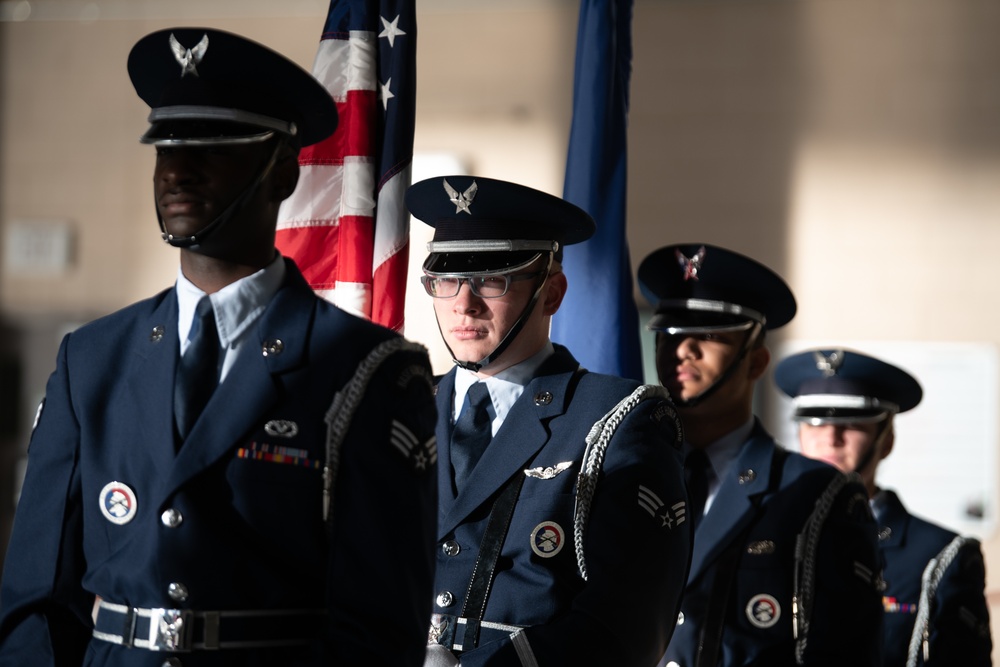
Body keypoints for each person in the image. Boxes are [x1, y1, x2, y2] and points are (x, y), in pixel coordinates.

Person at [0, 27, 437, 666]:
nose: (178, 170)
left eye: (214, 147)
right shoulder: (92, 360)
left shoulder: (365, 369)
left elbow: (379, 629)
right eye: (167, 147)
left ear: (282, 173)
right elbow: (37, 598)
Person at [406, 175, 691, 666]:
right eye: (446, 280)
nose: (463, 304)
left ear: (552, 293)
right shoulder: (402, 406)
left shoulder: (620, 417)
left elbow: (626, 626)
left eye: (492, 280)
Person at [636, 243, 884, 667]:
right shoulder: (626, 473)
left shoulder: (818, 496)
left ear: (757, 361)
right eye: (671, 334)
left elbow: (847, 650)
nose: (683, 349)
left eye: (709, 336)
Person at [774, 348, 993, 667]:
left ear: (886, 440)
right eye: (815, 423)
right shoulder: (768, 531)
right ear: (799, 433)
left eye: (853, 424)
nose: (831, 438)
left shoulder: (940, 556)